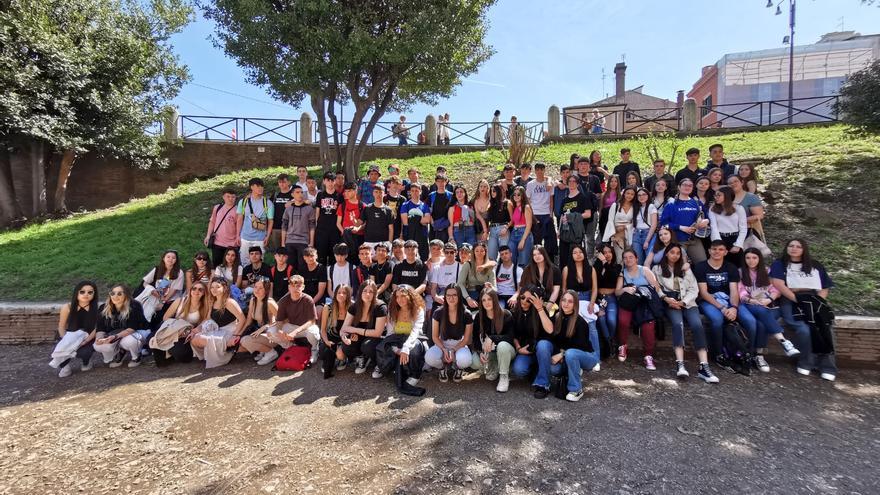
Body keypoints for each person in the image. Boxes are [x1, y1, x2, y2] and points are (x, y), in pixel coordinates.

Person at [770, 239, 836, 380]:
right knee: (804, 329)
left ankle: (827, 366)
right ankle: (806, 362)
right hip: (790, 300)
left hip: (814, 300)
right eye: (791, 246)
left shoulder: (815, 265)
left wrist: (819, 301)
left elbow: (824, 287)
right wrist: (797, 299)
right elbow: (779, 284)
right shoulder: (779, 264)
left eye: (798, 246)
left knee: (824, 327)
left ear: (804, 249)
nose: (794, 248)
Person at [652, 244, 718, 383]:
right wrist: (666, 298)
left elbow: (694, 289)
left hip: (688, 302)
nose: (675, 255)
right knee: (678, 324)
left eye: (677, 253)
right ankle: (680, 363)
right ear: (666, 254)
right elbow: (656, 287)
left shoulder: (686, 269)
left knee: (697, 325)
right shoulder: (657, 269)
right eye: (672, 252)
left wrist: (684, 302)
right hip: (670, 302)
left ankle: (704, 366)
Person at [738, 248, 801, 373]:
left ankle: (759, 356)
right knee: (762, 312)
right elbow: (741, 291)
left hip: (767, 304)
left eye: (754, 258)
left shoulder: (767, 271)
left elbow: (776, 289)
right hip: (748, 304)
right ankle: (783, 341)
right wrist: (751, 301)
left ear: (759, 258)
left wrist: (769, 299)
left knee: (762, 324)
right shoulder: (740, 272)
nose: (751, 261)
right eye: (748, 258)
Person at [535, 290, 602, 402]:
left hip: (587, 356)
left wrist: (561, 355)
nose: (566, 304)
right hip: (567, 355)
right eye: (564, 300)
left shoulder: (581, 322)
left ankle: (576, 389)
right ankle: (543, 385)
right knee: (544, 349)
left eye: (570, 301)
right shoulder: (557, 317)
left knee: (571, 354)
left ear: (575, 304)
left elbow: (580, 346)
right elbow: (550, 337)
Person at [373, 285, 428, 396]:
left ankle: (414, 374)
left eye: (403, 296)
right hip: (397, 340)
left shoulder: (418, 310)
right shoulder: (393, 311)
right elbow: (390, 334)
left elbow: (415, 332)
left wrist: (405, 348)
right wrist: (396, 350)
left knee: (414, 348)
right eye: (397, 297)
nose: (400, 299)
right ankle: (384, 367)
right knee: (384, 345)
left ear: (410, 296)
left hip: (414, 340)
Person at [253, 275, 321, 366]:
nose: (295, 288)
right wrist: (280, 331)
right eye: (293, 286)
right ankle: (291, 347)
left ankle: (314, 350)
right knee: (271, 332)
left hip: (305, 327)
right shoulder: (283, 301)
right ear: (289, 287)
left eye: (298, 286)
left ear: (303, 287)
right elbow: (280, 320)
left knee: (313, 333)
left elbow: (312, 321)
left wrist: (295, 332)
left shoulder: (308, 299)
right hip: (291, 326)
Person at [694, 241, 741, 366]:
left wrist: (734, 308)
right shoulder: (700, 267)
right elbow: (703, 293)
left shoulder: (731, 267)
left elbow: (734, 291)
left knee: (747, 320)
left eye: (720, 249)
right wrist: (722, 308)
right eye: (714, 249)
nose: (717, 252)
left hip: (727, 301)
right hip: (707, 301)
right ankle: (718, 353)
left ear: (725, 252)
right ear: (709, 251)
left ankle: (745, 354)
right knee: (717, 319)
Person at [615, 249, 661, 370]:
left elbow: (656, 287)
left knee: (648, 325)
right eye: (625, 258)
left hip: (644, 303)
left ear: (636, 258)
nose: (628, 260)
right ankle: (623, 345)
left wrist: (641, 291)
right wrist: (625, 289)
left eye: (631, 257)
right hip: (629, 302)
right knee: (623, 321)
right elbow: (617, 292)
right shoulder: (622, 273)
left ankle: (648, 355)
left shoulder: (644, 270)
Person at [150, 281, 210, 367]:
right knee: (152, 339)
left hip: (188, 333)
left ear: (204, 293)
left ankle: (169, 351)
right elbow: (165, 318)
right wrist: (179, 327)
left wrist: (190, 330)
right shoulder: (180, 301)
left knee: (183, 357)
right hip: (174, 329)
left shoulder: (205, 305)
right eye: (194, 288)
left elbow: (204, 322)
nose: (196, 291)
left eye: (200, 290)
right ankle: (165, 353)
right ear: (190, 290)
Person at [190, 277, 246, 369]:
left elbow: (242, 319)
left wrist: (236, 335)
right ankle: (210, 354)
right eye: (212, 287)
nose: (214, 290)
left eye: (217, 287)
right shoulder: (212, 302)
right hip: (217, 330)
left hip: (230, 332)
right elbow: (207, 319)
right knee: (194, 338)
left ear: (224, 288)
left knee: (201, 338)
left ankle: (227, 352)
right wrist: (196, 330)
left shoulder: (229, 302)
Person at [425, 284, 474, 382]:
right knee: (430, 357)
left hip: (459, 344)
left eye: (454, 295)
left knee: (466, 360)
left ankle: (458, 368)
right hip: (442, 343)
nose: (451, 298)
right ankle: (442, 368)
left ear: (459, 296)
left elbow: (466, 339)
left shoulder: (466, 314)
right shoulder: (438, 312)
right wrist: (443, 349)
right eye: (448, 295)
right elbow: (435, 337)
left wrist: (454, 350)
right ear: (445, 296)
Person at [93, 284, 150, 368]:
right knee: (97, 345)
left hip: (138, 331)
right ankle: (120, 352)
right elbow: (100, 327)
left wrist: (115, 337)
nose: (115, 296)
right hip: (117, 333)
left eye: (119, 294)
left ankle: (136, 356)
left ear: (126, 295)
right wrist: (99, 338)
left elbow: (132, 328)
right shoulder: (104, 307)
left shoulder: (134, 305)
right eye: (113, 293)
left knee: (129, 341)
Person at [50, 281, 99, 378]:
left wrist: (86, 341)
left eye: (90, 292)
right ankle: (65, 366)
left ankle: (86, 362)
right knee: (61, 347)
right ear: (77, 292)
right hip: (69, 334)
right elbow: (61, 325)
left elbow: (97, 328)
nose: (86, 294)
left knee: (84, 352)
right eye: (82, 292)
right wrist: (65, 338)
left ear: (94, 294)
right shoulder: (67, 307)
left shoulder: (96, 309)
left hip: (88, 337)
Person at [471, 288, 515, 392]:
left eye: (489, 299)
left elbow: (510, 337)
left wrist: (492, 338)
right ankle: (494, 365)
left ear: (495, 299)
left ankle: (504, 376)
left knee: (503, 345)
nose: (487, 303)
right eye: (484, 300)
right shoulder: (479, 316)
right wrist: (480, 352)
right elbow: (476, 338)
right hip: (490, 352)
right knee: (474, 362)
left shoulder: (506, 314)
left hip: (506, 351)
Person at [340, 280, 388, 374]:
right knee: (346, 345)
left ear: (375, 294)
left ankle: (378, 361)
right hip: (361, 336)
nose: (367, 294)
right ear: (360, 291)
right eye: (365, 291)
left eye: (371, 292)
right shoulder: (354, 307)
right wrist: (344, 337)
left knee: (367, 346)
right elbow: (344, 328)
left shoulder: (380, 307)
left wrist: (354, 330)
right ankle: (362, 357)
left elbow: (377, 333)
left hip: (377, 338)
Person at [660, 178, 709, 264]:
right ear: (679, 187)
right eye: (685, 185)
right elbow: (664, 223)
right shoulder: (671, 204)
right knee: (678, 266)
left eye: (690, 185)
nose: (687, 187)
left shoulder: (696, 202)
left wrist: (706, 221)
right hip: (678, 240)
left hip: (694, 240)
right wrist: (681, 227)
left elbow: (707, 217)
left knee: (702, 263)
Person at [557, 174, 597, 269]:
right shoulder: (564, 200)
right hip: (565, 232)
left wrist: (572, 217)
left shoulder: (583, 198)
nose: (571, 183)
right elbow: (562, 216)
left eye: (573, 181)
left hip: (576, 232)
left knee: (575, 258)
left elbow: (588, 214)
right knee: (563, 258)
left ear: (577, 184)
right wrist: (559, 229)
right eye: (569, 181)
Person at [509, 285, 547, 381]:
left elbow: (549, 332)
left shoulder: (541, 312)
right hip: (523, 349)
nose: (524, 301)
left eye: (529, 300)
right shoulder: (514, 312)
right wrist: (519, 349)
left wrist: (540, 309)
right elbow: (513, 334)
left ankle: (540, 370)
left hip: (539, 349)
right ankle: (533, 369)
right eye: (522, 297)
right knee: (518, 370)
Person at [139, 250, 185, 326]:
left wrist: (163, 301)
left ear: (176, 260)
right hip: (156, 296)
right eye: (168, 257)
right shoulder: (157, 269)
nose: (170, 259)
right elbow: (145, 282)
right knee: (144, 314)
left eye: (173, 258)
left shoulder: (179, 273)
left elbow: (173, 290)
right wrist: (152, 290)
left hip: (170, 301)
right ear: (163, 258)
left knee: (158, 319)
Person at [316, 284, 352, 378]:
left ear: (348, 295)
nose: (341, 295)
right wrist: (326, 341)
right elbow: (323, 330)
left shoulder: (352, 307)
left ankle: (343, 359)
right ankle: (328, 361)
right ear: (335, 294)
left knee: (340, 355)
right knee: (323, 352)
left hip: (345, 338)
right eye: (339, 292)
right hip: (332, 337)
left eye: (344, 293)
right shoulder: (328, 308)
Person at [238, 280, 279, 362]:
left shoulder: (269, 302)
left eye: (261, 288)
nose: (257, 290)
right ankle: (263, 350)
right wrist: (238, 334)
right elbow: (248, 321)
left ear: (266, 290)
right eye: (255, 287)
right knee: (238, 347)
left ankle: (271, 352)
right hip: (259, 332)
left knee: (245, 341)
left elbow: (282, 321)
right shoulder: (253, 300)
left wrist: (266, 326)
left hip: (272, 335)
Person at [235, 177, 273, 264]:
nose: (260, 188)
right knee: (244, 262)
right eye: (258, 186)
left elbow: (270, 221)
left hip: (260, 238)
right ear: (252, 187)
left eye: (262, 186)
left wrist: (267, 236)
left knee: (259, 261)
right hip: (245, 237)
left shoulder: (267, 203)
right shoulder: (243, 202)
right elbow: (240, 219)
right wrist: (238, 235)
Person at [708, 186, 747, 266]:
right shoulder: (713, 208)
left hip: (734, 239)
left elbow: (743, 228)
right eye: (715, 195)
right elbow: (713, 227)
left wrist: (738, 245)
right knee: (720, 264)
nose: (716, 197)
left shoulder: (739, 208)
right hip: (719, 238)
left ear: (727, 195)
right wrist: (718, 245)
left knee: (737, 265)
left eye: (719, 195)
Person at [525, 162, 556, 261]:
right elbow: (528, 200)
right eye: (537, 169)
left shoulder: (549, 184)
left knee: (550, 240)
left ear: (544, 170)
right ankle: (536, 260)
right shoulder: (530, 184)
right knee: (536, 240)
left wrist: (551, 214)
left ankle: (549, 261)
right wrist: (530, 215)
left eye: (541, 169)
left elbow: (551, 199)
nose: (539, 172)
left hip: (546, 213)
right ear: (535, 171)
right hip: (535, 214)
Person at [280, 185, 315, 270]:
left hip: (303, 241)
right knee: (290, 267)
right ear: (292, 194)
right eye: (297, 192)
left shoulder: (309, 209)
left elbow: (312, 226)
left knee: (303, 266)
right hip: (290, 241)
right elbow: (284, 226)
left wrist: (311, 242)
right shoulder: (288, 209)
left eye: (302, 192)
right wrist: (283, 243)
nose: (300, 194)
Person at [593, 243, 620, 345]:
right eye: (604, 253)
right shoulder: (596, 267)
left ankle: (611, 338)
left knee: (611, 320)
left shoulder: (617, 267)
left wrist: (604, 261)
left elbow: (613, 275)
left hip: (611, 298)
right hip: (599, 298)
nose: (607, 254)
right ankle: (609, 342)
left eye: (609, 252)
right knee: (601, 318)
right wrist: (601, 262)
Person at [204, 188, 239, 266]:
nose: (230, 199)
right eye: (228, 196)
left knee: (230, 265)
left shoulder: (238, 210)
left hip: (231, 244)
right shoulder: (217, 207)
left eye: (233, 197)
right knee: (217, 264)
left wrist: (237, 238)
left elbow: (238, 226)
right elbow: (212, 222)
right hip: (217, 242)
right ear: (223, 197)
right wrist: (208, 236)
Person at [314, 172, 343, 266]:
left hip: (334, 230)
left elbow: (340, 215)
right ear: (324, 181)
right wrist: (316, 226)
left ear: (335, 182)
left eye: (332, 180)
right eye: (328, 180)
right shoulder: (320, 195)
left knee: (333, 256)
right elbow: (317, 211)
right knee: (320, 256)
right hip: (321, 230)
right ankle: (321, 278)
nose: (330, 183)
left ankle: (332, 278)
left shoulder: (339, 196)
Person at [601, 186, 637, 261]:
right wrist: (614, 234)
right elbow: (610, 221)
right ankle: (620, 272)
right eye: (628, 193)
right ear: (624, 194)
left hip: (629, 234)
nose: (629, 195)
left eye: (632, 194)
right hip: (617, 235)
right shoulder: (615, 205)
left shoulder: (635, 207)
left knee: (629, 258)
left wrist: (625, 227)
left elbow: (635, 221)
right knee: (619, 258)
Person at [561, 245, 598, 315]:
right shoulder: (566, 269)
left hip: (587, 299)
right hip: (572, 299)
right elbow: (564, 288)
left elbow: (595, 289)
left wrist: (591, 303)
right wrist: (566, 302)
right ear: (571, 255)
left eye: (580, 252)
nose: (578, 254)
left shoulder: (591, 269)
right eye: (575, 253)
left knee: (591, 324)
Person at [458, 242, 496, 307]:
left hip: (485, 294)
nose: (479, 253)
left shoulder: (490, 266)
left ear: (485, 252)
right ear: (473, 252)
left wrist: (490, 287)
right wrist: (468, 298)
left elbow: (495, 288)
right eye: (477, 251)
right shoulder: (468, 265)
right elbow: (460, 283)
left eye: (482, 251)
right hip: (470, 294)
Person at [400, 182, 431, 261]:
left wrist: (412, 217)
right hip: (409, 235)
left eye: (416, 190)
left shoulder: (424, 206)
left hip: (422, 235)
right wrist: (420, 219)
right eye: (412, 191)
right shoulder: (405, 205)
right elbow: (405, 222)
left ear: (420, 192)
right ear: (410, 192)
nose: (414, 192)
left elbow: (427, 220)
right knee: (409, 258)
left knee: (423, 259)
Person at [337, 182, 365, 263]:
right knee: (346, 260)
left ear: (355, 191)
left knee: (358, 260)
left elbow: (365, 223)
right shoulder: (342, 205)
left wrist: (358, 228)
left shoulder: (362, 206)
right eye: (345, 191)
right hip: (345, 237)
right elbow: (338, 223)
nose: (346, 193)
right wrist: (344, 232)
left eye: (349, 191)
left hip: (359, 236)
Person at [361, 185, 394, 252]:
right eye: (376, 192)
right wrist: (354, 222)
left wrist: (389, 243)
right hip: (369, 242)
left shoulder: (389, 210)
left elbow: (391, 228)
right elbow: (361, 224)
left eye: (380, 192)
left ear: (384, 194)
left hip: (384, 243)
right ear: (373, 193)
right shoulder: (367, 208)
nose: (378, 194)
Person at [429, 242, 461, 310]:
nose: (449, 254)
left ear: (456, 253)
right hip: (441, 292)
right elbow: (433, 288)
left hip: (455, 292)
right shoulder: (437, 267)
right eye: (447, 252)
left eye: (452, 252)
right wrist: (436, 297)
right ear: (443, 253)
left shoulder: (460, 267)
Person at [508, 186, 534, 268]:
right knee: (511, 258)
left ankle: (524, 280)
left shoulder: (526, 207)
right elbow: (513, 222)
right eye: (514, 194)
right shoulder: (515, 207)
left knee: (523, 262)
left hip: (524, 233)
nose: (516, 196)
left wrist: (523, 240)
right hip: (513, 233)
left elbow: (529, 225)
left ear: (523, 196)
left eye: (518, 194)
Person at [632, 187, 658, 266]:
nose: (641, 197)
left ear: (648, 196)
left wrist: (647, 241)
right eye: (639, 195)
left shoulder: (651, 206)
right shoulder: (636, 208)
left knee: (648, 261)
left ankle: (650, 278)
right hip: (636, 235)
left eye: (644, 194)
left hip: (648, 234)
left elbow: (654, 225)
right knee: (638, 260)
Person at [486, 184, 512, 261]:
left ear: (499, 191)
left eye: (494, 191)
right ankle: (493, 272)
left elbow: (513, 219)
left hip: (503, 229)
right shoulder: (491, 204)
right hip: (492, 230)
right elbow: (489, 220)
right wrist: (486, 231)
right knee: (491, 255)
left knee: (504, 254)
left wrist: (506, 228)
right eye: (491, 191)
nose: (492, 193)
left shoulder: (507, 203)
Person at [269, 173, 293, 250]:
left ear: (289, 182)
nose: (282, 184)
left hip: (290, 227)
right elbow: (268, 208)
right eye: (280, 182)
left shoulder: (293, 195)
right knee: (278, 251)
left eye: (284, 182)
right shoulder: (275, 195)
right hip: (276, 227)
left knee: (289, 250)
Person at [427, 175, 453, 243]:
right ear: (435, 182)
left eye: (442, 181)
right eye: (438, 181)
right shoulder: (431, 195)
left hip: (448, 226)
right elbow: (427, 210)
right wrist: (432, 221)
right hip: (434, 226)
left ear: (446, 182)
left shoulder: (451, 196)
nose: (441, 183)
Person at [384, 176, 405, 240]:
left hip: (397, 230)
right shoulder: (384, 198)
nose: (395, 185)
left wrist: (401, 233)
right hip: (384, 230)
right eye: (393, 183)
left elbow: (403, 218)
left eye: (397, 183)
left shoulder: (402, 199)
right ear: (389, 184)